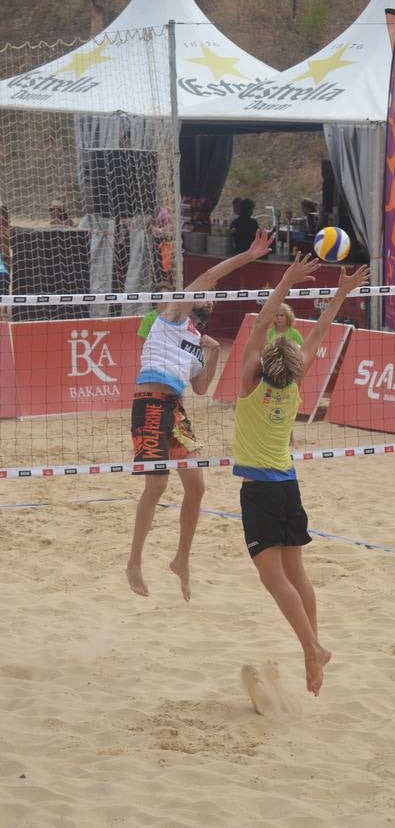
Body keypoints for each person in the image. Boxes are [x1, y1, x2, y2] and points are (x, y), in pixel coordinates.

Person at [232, 254, 370, 697]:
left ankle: (312, 649)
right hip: (289, 487)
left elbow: (260, 326)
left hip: (260, 492)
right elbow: (317, 333)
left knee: (274, 581)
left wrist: (286, 281)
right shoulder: (294, 387)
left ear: (262, 364)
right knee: (299, 575)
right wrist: (342, 293)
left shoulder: (250, 387)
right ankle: (315, 660)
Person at [127, 228, 274, 601]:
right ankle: (134, 561)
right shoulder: (172, 314)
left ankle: (181, 559)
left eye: (209, 299)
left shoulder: (196, 340)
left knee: (197, 486)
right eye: (205, 295)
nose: (208, 296)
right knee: (157, 485)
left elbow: (202, 388)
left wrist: (213, 353)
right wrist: (250, 255)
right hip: (149, 402)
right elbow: (210, 276)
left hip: (175, 408)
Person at [0, 203, 11, 300]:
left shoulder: (9, 229)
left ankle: (6, 308)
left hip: (8, 258)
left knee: (6, 283)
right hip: (1, 259)